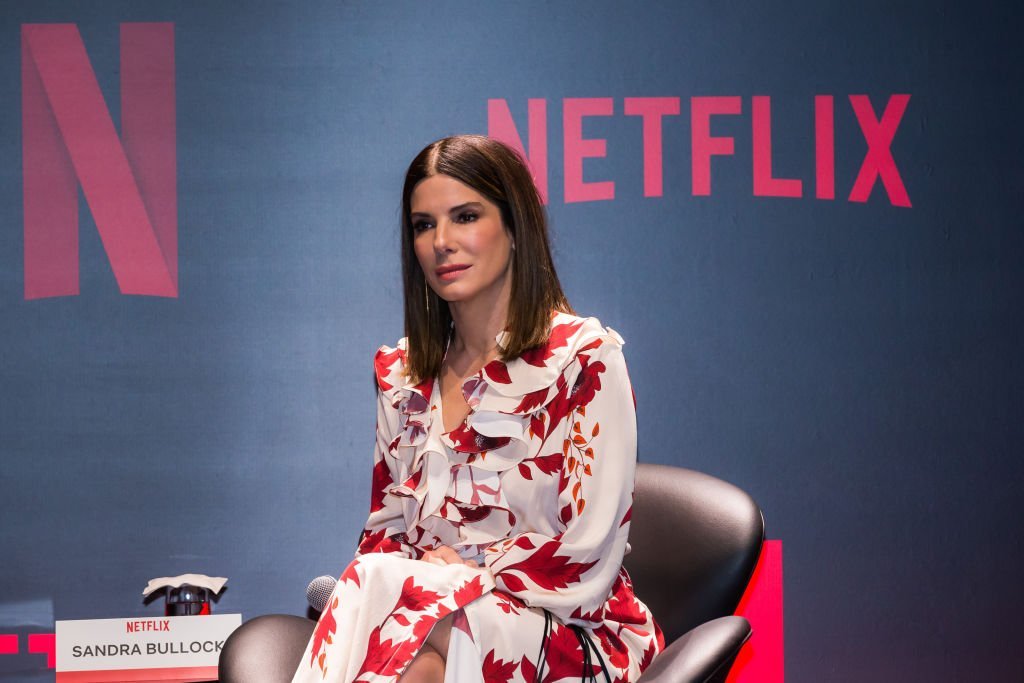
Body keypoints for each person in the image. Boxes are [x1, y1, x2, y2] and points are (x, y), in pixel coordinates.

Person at [291, 135, 663, 683]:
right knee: (418, 652)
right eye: (423, 225)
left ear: (514, 229)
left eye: (465, 216)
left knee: (388, 601)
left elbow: (587, 556)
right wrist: (426, 578)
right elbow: (384, 534)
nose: (441, 242)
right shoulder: (401, 375)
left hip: (571, 637)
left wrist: (470, 571)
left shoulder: (585, 360)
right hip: (430, 618)